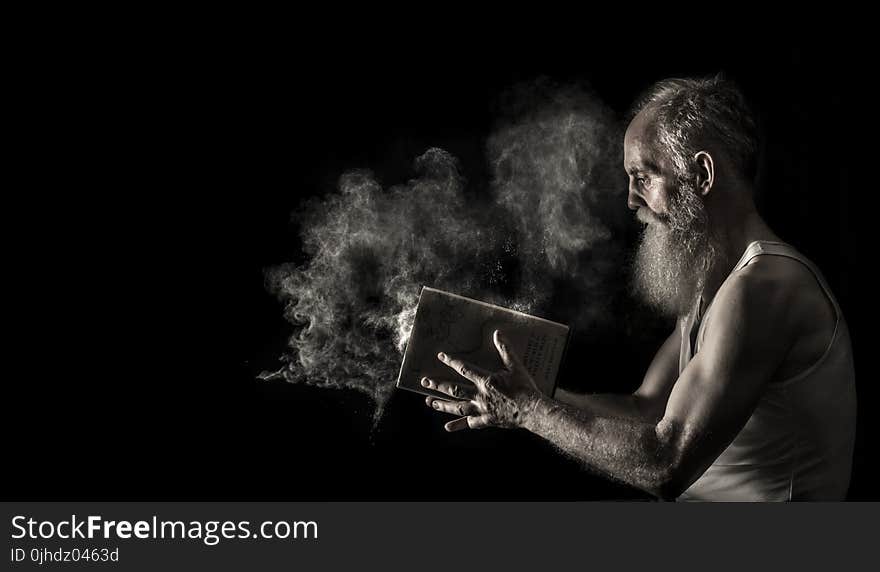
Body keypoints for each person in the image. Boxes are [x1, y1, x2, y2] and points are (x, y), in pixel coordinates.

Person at [422, 76, 856, 501]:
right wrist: (525, 393)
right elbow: (645, 410)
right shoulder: (713, 288)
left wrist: (531, 410)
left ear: (702, 175)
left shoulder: (763, 288)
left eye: (644, 177)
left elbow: (664, 464)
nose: (631, 200)